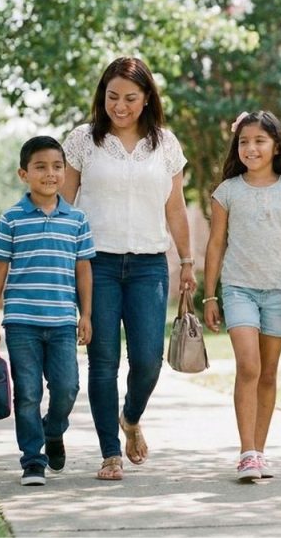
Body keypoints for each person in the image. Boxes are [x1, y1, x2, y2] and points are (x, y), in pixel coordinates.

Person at [61, 56, 197, 482]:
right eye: (112, 96)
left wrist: (188, 260)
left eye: (130, 98)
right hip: (94, 263)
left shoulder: (166, 144)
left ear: (147, 99)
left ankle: (131, 416)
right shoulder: (83, 140)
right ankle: (109, 453)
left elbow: (175, 208)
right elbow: (64, 206)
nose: (119, 106)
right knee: (103, 361)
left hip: (148, 266)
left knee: (148, 360)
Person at [202, 110, 281, 482]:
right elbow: (216, 244)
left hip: (280, 291)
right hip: (238, 289)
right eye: (244, 141)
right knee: (248, 366)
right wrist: (210, 295)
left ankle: (260, 452)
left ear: (276, 146)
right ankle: (246, 451)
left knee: (268, 372)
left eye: (259, 141)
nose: (251, 148)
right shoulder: (228, 191)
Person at [0, 135, 95, 487]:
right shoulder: (11, 219)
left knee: (67, 387)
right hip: (21, 323)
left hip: (63, 321)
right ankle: (33, 460)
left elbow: (83, 270)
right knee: (28, 393)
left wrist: (86, 314)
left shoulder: (76, 219)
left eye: (57, 166)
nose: (50, 173)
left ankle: (53, 430)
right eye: (41, 167)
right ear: (23, 173)